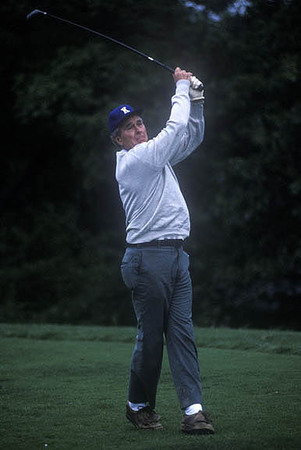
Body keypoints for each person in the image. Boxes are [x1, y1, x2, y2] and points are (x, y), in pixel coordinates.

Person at [108, 67, 215, 435]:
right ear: (118, 140)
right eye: (129, 128)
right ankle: (138, 405)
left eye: (140, 123)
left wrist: (196, 102)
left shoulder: (156, 157)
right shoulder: (135, 162)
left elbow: (190, 135)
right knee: (152, 340)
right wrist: (181, 88)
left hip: (176, 257)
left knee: (182, 334)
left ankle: (194, 412)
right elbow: (173, 131)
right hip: (145, 260)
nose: (138, 129)